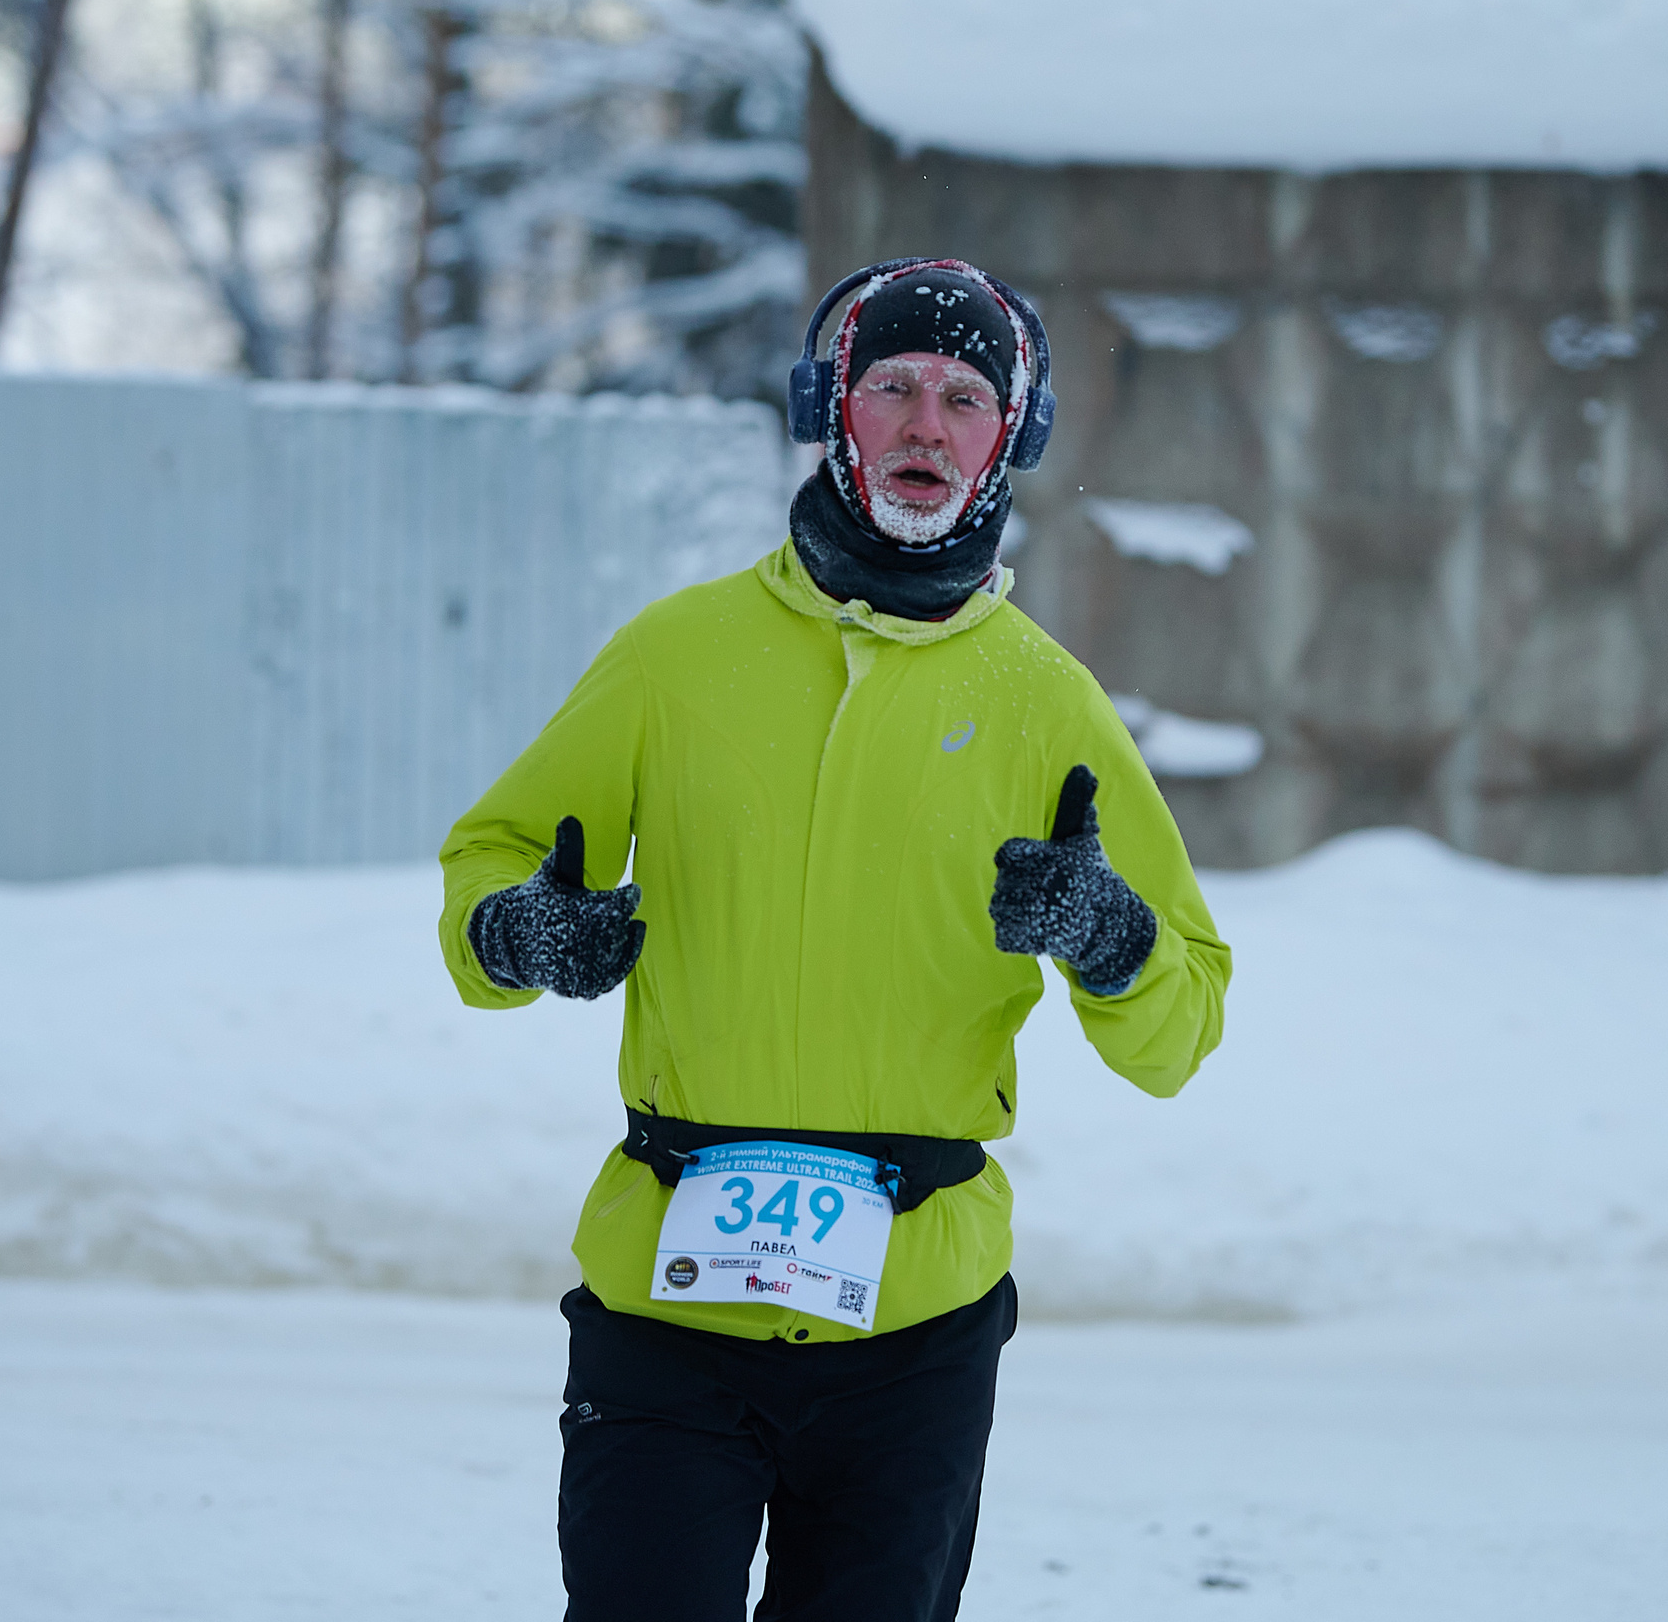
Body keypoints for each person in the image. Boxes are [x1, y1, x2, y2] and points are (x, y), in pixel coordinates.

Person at [437, 257, 1231, 1622]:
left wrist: (1109, 937)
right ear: (834, 413)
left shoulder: (1049, 704)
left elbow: (1185, 1022)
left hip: (915, 1334)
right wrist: (521, 933)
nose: (928, 425)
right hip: (664, 1312)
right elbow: (491, 866)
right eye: (895, 388)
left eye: (969, 399)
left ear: (1010, 443)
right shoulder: (677, 656)